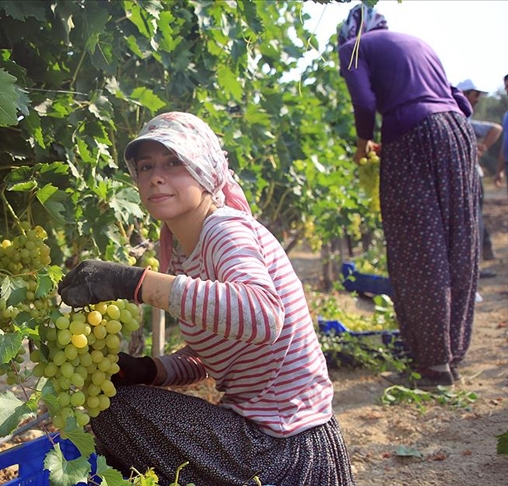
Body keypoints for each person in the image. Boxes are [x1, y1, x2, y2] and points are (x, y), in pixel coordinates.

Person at [58, 112, 355, 485]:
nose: (156, 176)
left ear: (204, 169)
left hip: (288, 452)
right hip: (265, 442)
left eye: (173, 162)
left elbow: (262, 315)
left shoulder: (224, 230)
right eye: (146, 166)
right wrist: (151, 370)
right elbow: (216, 350)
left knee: (116, 411)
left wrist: (134, 282)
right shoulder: (184, 254)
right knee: (121, 400)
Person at [336, 5, 479, 389]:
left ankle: (433, 365)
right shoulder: (418, 43)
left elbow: (365, 103)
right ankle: (452, 354)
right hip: (457, 133)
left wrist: (364, 143)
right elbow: (458, 102)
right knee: (457, 241)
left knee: (419, 248)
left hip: (413, 136)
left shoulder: (353, 46)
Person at [457, 79, 501, 264]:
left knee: (474, 217)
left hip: (471, 175)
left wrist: (481, 148)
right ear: (465, 94)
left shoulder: (464, 120)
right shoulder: (459, 119)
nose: (478, 100)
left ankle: (476, 263)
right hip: (466, 176)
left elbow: (496, 129)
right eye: (475, 95)